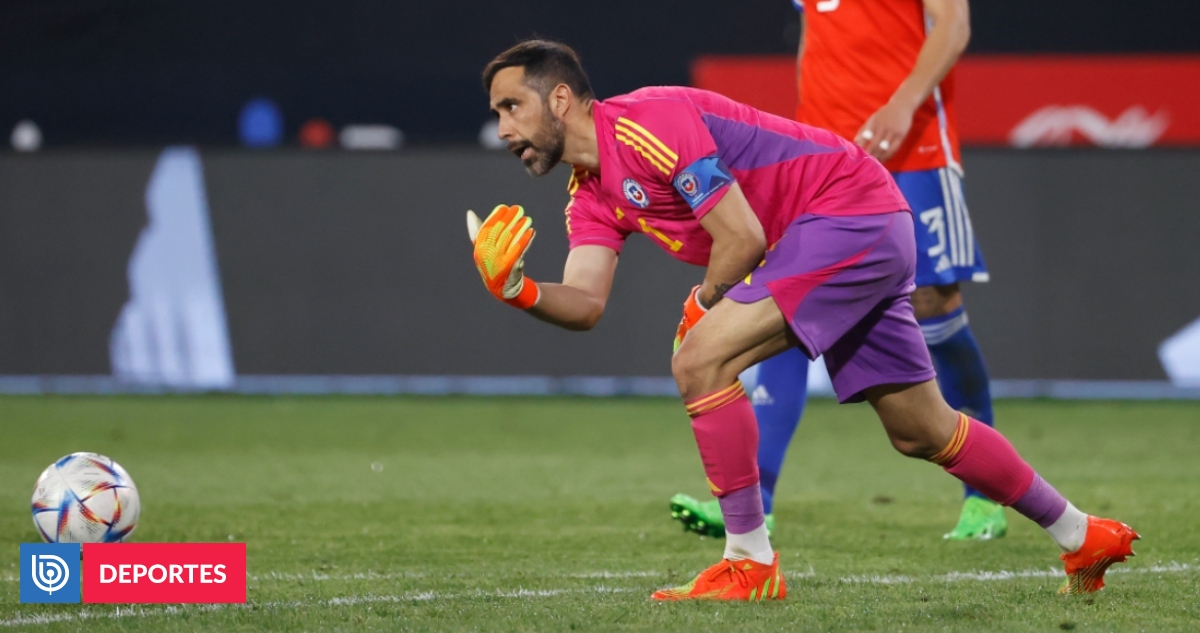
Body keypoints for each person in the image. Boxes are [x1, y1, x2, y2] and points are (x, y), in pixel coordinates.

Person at [472, 39, 1137, 601]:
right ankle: (1083, 535)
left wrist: (702, 305)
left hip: (848, 213)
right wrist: (520, 290)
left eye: (512, 106)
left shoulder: (648, 120)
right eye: (498, 112)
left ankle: (751, 561)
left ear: (560, 99)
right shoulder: (589, 196)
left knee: (700, 358)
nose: (503, 128)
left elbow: (743, 238)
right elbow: (586, 303)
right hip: (847, 234)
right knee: (920, 429)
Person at [671, 0, 1003, 542]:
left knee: (934, 305)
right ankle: (759, 497)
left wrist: (901, 105)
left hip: (912, 145)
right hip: (823, 157)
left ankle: (983, 495)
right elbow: (813, 38)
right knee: (784, 294)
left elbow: (955, 25)